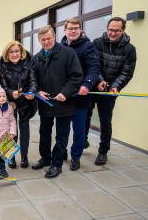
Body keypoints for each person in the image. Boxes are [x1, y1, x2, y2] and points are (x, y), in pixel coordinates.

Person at [32, 25, 82, 178]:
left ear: (54, 36)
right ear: (39, 41)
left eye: (48, 38)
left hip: (64, 102)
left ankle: (57, 164)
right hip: (45, 102)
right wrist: (38, 91)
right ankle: (45, 158)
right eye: (42, 40)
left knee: (62, 134)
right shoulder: (37, 57)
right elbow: (33, 79)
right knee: (44, 132)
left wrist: (65, 93)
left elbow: (77, 76)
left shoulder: (68, 53)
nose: (46, 42)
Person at [92, 17, 137, 165]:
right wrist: (99, 81)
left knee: (105, 121)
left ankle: (103, 152)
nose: (113, 33)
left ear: (123, 31)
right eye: (111, 29)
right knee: (85, 115)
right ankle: (83, 140)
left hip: (111, 90)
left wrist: (115, 86)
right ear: (107, 28)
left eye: (117, 30)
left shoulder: (130, 49)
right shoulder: (97, 43)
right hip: (94, 85)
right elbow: (93, 65)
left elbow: (126, 73)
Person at [60, 18, 100, 171]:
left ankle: (75, 157)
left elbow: (94, 68)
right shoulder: (60, 46)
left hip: (81, 96)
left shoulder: (88, 46)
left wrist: (87, 84)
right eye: (70, 28)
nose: (73, 31)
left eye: (76, 28)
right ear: (65, 30)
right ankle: (61, 151)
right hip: (64, 95)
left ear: (81, 29)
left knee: (79, 130)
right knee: (62, 128)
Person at [0, 41, 37, 169]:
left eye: (17, 51)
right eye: (11, 52)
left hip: (26, 100)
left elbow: (33, 80)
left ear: (21, 52)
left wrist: (31, 91)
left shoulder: (29, 62)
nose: (14, 54)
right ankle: (11, 157)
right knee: (10, 129)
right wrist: (10, 92)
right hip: (10, 101)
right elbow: (3, 85)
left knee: (24, 129)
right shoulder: (2, 65)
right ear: (7, 53)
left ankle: (24, 156)